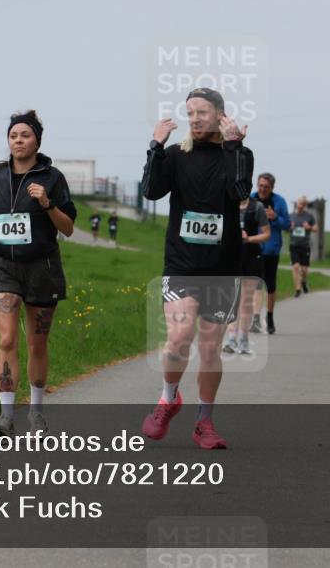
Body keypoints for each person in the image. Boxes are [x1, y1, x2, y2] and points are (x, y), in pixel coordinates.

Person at [140, 87, 253, 449]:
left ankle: (204, 422)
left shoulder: (239, 155)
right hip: (182, 264)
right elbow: (150, 191)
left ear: (220, 114)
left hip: (222, 268)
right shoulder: (176, 155)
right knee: (177, 339)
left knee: (208, 348)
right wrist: (155, 147)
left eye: (201, 112)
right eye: (189, 113)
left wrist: (234, 147)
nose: (194, 119)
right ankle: (168, 397)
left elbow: (239, 193)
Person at [0, 110, 77, 437]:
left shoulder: (52, 178)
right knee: (7, 338)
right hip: (2, 267)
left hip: (42, 268)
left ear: (37, 140)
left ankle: (37, 413)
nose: (18, 141)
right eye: (13, 135)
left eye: (25, 135)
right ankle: (5, 416)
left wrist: (46, 203)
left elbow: (68, 228)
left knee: (37, 343)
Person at [223, 195, 270, 355]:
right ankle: (230, 340)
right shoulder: (227, 203)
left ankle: (243, 340)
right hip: (232, 257)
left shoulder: (257, 208)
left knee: (246, 300)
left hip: (251, 257)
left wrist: (249, 238)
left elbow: (266, 234)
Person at [251, 173, 290, 335]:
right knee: (256, 284)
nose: (263, 189)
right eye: (260, 185)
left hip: (271, 248)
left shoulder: (279, 202)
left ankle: (270, 317)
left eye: (266, 187)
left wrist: (274, 217)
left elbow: (287, 225)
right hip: (253, 247)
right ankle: (255, 319)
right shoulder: (251, 199)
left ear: (272, 187)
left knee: (270, 286)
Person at [288, 196, 318, 297]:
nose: (300, 205)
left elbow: (316, 229)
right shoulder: (290, 216)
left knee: (304, 270)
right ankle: (297, 289)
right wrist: (289, 227)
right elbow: (285, 230)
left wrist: (309, 227)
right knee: (296, 267)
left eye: (302, 204)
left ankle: (304, 281)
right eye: (299, 203)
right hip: (293, 245)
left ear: (305, 205)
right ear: (296, 203)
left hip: (305, 245)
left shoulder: (309, 216)